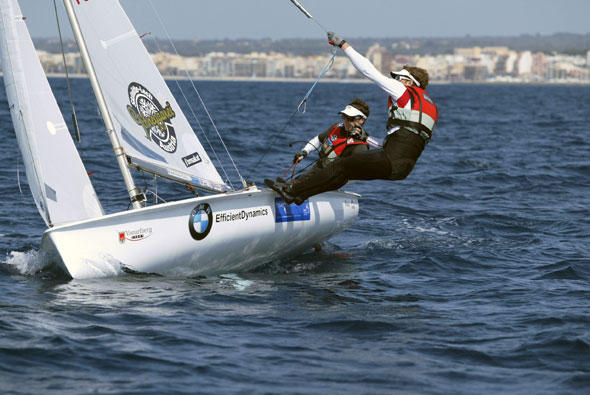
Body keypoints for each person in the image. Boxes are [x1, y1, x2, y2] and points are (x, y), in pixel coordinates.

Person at [268, 32, 439, 204]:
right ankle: (298, 196)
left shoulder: (403, 91)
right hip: (402, 170)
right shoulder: (429, 108)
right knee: (345, 172)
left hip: (390, 160)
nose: (393, 80)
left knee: (340, 165)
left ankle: (292, 190)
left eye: (398, 78)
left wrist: (343, 45)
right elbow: (396, 143)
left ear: (409, 82)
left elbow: (369, 70)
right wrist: (367, 138)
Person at [293, 98, 372, 170]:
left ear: (362, 120)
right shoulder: (337, 127)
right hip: (319, 168)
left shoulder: (360, 145)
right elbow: (318, 139)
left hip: (330, 178)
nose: (346, 121)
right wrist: (305, 151)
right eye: (344, 117)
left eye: (350, 119)